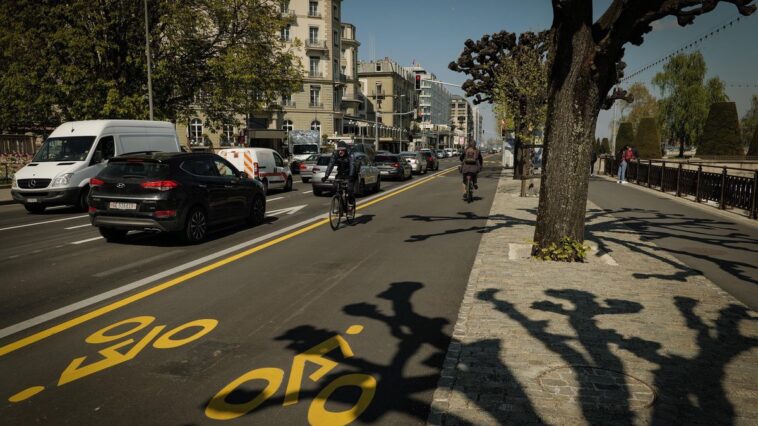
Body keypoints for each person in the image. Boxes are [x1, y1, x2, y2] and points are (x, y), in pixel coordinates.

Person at [322, 141, 356, 205]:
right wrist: (326, 176)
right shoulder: (335, 154)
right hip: (340, 173)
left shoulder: (350, 154)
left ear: (345, 150)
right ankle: (340, 202)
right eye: (339, 150)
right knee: (334, 187)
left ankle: (351, 202)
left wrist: (351, 176)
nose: (340, 152)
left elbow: (352, 165)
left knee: (349, 189)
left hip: (349, 174)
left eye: (342, 150)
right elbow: (330, 164)